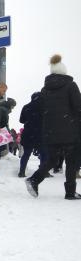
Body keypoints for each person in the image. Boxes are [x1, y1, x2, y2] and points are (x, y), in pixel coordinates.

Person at [25, 54, 81, 200]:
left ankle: (34, 180)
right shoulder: (71, 86)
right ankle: (70, 192)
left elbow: (43, 110)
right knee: (71, 161)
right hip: (70, 130)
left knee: (52, 160)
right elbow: (78, 108)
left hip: (50, 131)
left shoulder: (45, 89)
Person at [18, 92, 49, 177]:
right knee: (44, 154)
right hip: (41, 134)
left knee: (26, 154)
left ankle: (21, 172)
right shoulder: (45, 108)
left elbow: (21, 120)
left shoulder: (26, 107)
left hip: (28, 133)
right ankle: (43, 172)